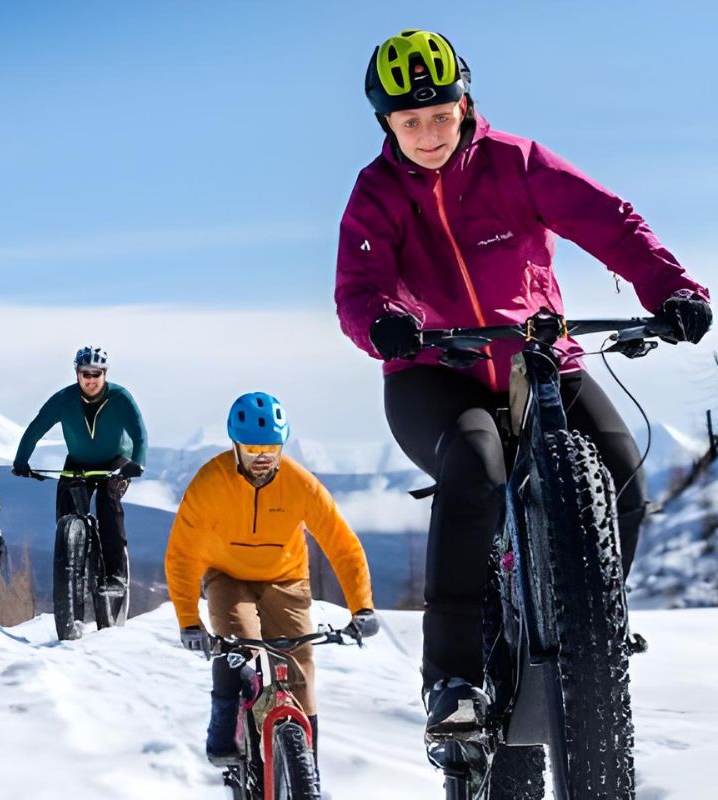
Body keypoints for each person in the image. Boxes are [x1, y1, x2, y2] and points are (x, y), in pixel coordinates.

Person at [334, 28, 711, 755]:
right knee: (475, 467)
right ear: (386, 124)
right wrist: (384, 324)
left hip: (539, 360)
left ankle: (589, 621)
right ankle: (452, 677)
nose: (429, 133)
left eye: (440, 114)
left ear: (464, 100)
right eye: (410, 122)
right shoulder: (376, 194)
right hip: (434, 374)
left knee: (622, 479)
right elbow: (360, 287)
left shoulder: (517, 162)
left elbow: (609, 221)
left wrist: (671, 287)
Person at [165, 391, 379, 769]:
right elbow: (182, 553)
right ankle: (224, 727)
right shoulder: (210, 482)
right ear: (235, 446)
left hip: (286, 579)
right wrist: (188, 621)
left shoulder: (300, 483)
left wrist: (361, 607)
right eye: (252, 448)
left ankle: (303, 768)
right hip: (228, 577)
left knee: (300, 672)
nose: (262, 457)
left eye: (270, 448)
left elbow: (340, 543)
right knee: (237, 646)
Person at [12, 346, 147, 592]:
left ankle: (115, 574)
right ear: (77, 373)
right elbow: (36, 428)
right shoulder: (64, 399)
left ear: (104, 374)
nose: (91, 379)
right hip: (79, 461)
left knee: (108, 506)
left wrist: (137, 462)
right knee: (66, 512)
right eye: (86, 373)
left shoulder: (120, 397)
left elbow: (139, 432)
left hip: (117, 461)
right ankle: (70, 563)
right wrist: (21, 461)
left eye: (97, 374)